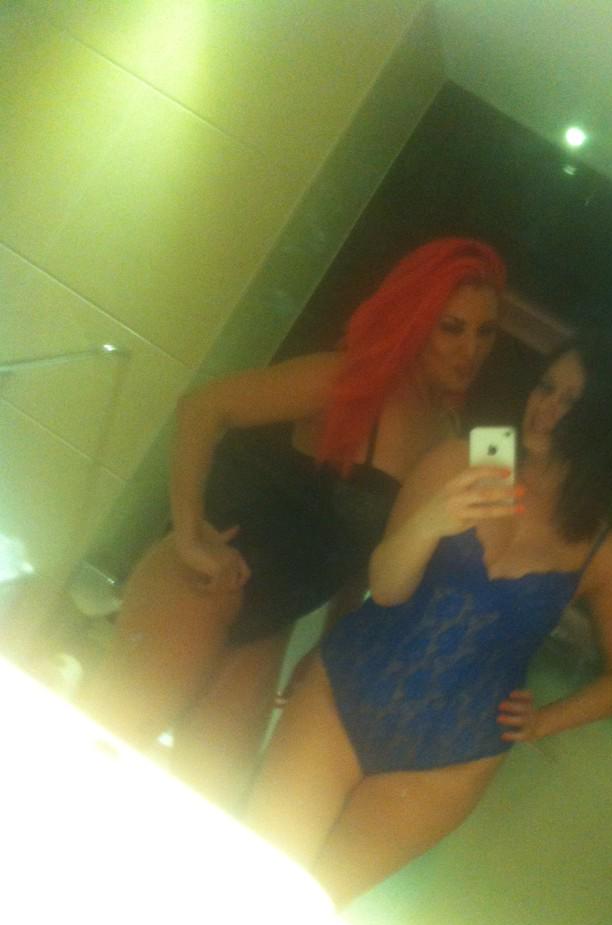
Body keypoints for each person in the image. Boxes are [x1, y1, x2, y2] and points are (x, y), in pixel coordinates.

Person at [81, 238, 507, 806]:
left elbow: (370, 553)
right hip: (208, 583)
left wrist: (328, 642)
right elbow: (204, 406)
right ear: (416, 320)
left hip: (272, 621)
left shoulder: (449, 437)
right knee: (96, 750)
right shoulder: (351, 380)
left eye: (485, 332)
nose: (469, 349)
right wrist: (187, 530)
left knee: (203, 800)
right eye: (451, 328)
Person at [244, 339, 612, 907]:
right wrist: (431, 522)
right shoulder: (472, 458)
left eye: (571, 402)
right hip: (345, 693)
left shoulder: (606, 548)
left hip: (449, 757)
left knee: (311, 906)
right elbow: (387, 586)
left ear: (605, 426)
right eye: (545, 388)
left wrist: (545, 721)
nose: (546, 407)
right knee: (256, 875)